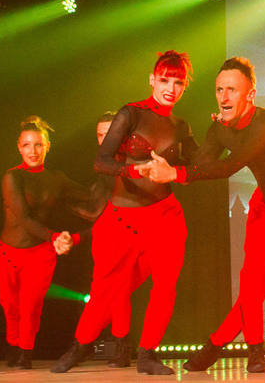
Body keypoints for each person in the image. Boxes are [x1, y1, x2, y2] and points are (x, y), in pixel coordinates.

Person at [143, 56, 265, 373]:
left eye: (232, 90)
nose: (224, 97)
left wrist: (177, 174)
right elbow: (200, 163)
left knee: (262, 283)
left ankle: (215, 345)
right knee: (250, 279)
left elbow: (229, 166)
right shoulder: (220, 128)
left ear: (250, 94)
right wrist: (167, 157)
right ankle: (255, 352)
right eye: (219, 90)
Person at [51, 51, 198, 375]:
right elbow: (101, 161)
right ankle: (80, 346)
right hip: (123, 217)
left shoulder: (181, 126)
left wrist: (175, 172)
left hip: (165, 217)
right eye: (165, 80)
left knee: (165, 286)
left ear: (184, 86)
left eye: (178, 83)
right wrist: (135, 170)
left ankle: (148, 354)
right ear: (152, 79)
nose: (171, 89)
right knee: (107, 289)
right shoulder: (130, 113)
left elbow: (197, 167)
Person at [0, 116, 89, 369]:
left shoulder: (56, 178)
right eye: (27, 145)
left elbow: (89, 196)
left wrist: (115, 182)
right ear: (19, 147)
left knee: (31, 305)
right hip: (8, 252)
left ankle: (25, 352)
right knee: (9, 304)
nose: (33, 151)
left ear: (48, 146)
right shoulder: (12, 177)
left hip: (40, 253)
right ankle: (13, 344)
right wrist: (55, 236)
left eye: (38, 144)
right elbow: (24, 218)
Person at [95, 110, 151, 368]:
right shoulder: (102, 168)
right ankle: (121, 346)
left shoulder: (134, 162)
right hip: (112, 237)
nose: (105, 139)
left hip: (143, 235)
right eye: (100, 135)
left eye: (110, 133)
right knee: (116, 291)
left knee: (119, 290)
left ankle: (129, 347)